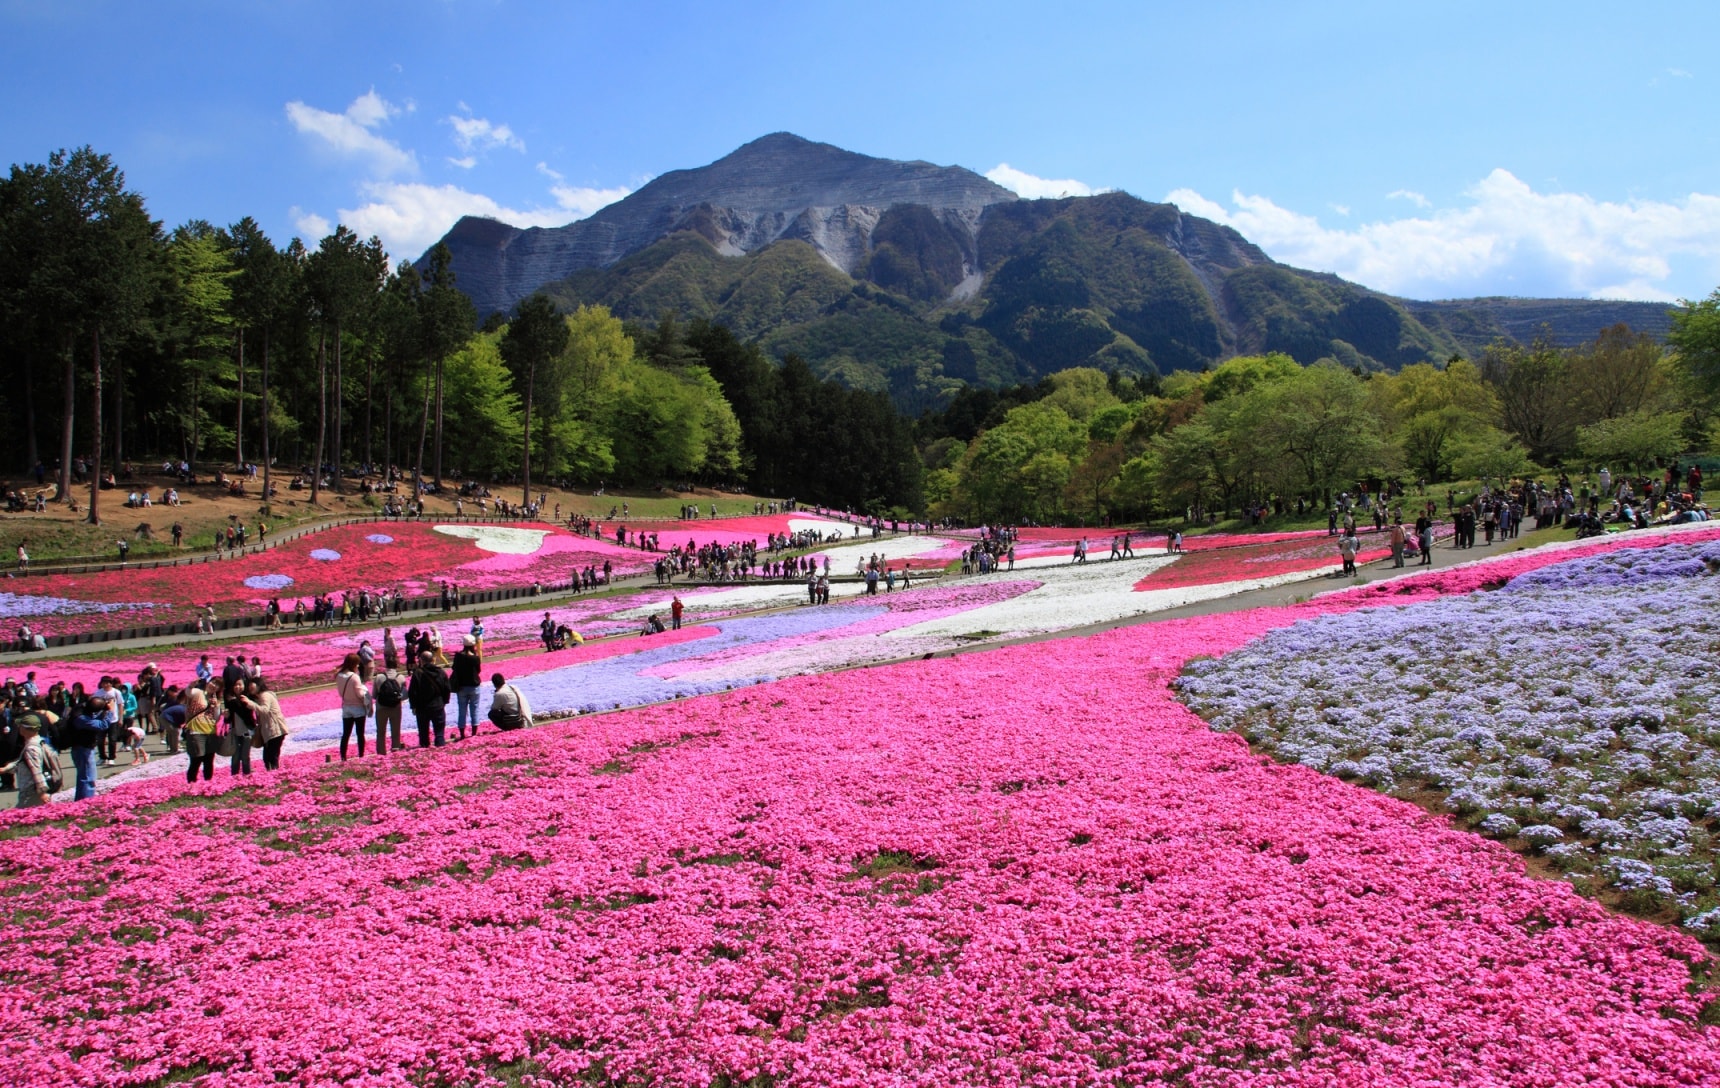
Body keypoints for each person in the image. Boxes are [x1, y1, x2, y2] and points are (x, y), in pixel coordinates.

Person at [1, 711, 54, 807]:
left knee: (21, 817)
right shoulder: (38, 742)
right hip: (32, 790)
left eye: (20, 726)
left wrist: (42, 792)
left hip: (31, 791)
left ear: (26, 729)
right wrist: (6, 769)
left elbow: (37, 771)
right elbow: (23, 762)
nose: (19, 728)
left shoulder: (31, 748)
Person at [243, 678, 289, 771]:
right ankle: (273, 773)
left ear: (259, 684)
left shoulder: (265, 695)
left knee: (271, 756)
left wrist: (250, 703)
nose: (250, 687)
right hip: (272, 730)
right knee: (270, 756)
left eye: (252, 684)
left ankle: (274, 774)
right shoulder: (261, 696)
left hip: (274, 730)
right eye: (249, 686)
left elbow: (265, 710)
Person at [408, 650, 451, 748]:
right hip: (438, 705)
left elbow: (412, 692)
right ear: (433, 660)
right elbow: (447, 688)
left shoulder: (418, 673)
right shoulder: (440, 672)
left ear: (421, 661)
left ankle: (424, 749)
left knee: (423, 732)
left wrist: (413, 706)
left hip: (422, 707)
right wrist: (444, 701)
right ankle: (440, 749)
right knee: (439, 731)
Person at [334, 653, 370, 761]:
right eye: (357, 664)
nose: (358, 666)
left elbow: (341, 693)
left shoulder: (339, 675)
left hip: (346, 707)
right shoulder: (354, 677)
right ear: (354, 664)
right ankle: (361, 755)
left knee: (346, 734)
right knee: (360, 734)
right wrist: (366, 693)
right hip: (358, 707)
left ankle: (343, 757)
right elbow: (360, 694)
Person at [182, 686, 220, 784]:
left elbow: (216, 717)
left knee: (209, 760)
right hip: (196, 731)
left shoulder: (216, 699)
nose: (214, 685)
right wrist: (190, 685)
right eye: (213, 682)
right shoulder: (199, 693)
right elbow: (189, 692)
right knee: (196, 758)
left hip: (210, 732)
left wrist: (216, 706)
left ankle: (208, 784)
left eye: (217, 685)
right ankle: (191, 784)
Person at [451, 635, 483, 740]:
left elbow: (454, 669)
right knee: (475, 709)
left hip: (461, 687)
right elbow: (478, 671)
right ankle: (474, 733)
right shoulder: (475, 658)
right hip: (474, 686)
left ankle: (462, 734)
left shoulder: (458, 656)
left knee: (462, 710)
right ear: (473, 645)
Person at [372, 665, 406, 753]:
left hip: (381, 708)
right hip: (396, 708)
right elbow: (405, 695)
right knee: (395, 730)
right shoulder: (401, 677)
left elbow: (374, 695)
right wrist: (395, 698)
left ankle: (381, 752)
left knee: (381, 731)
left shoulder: (379, 677)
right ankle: (395, 749)